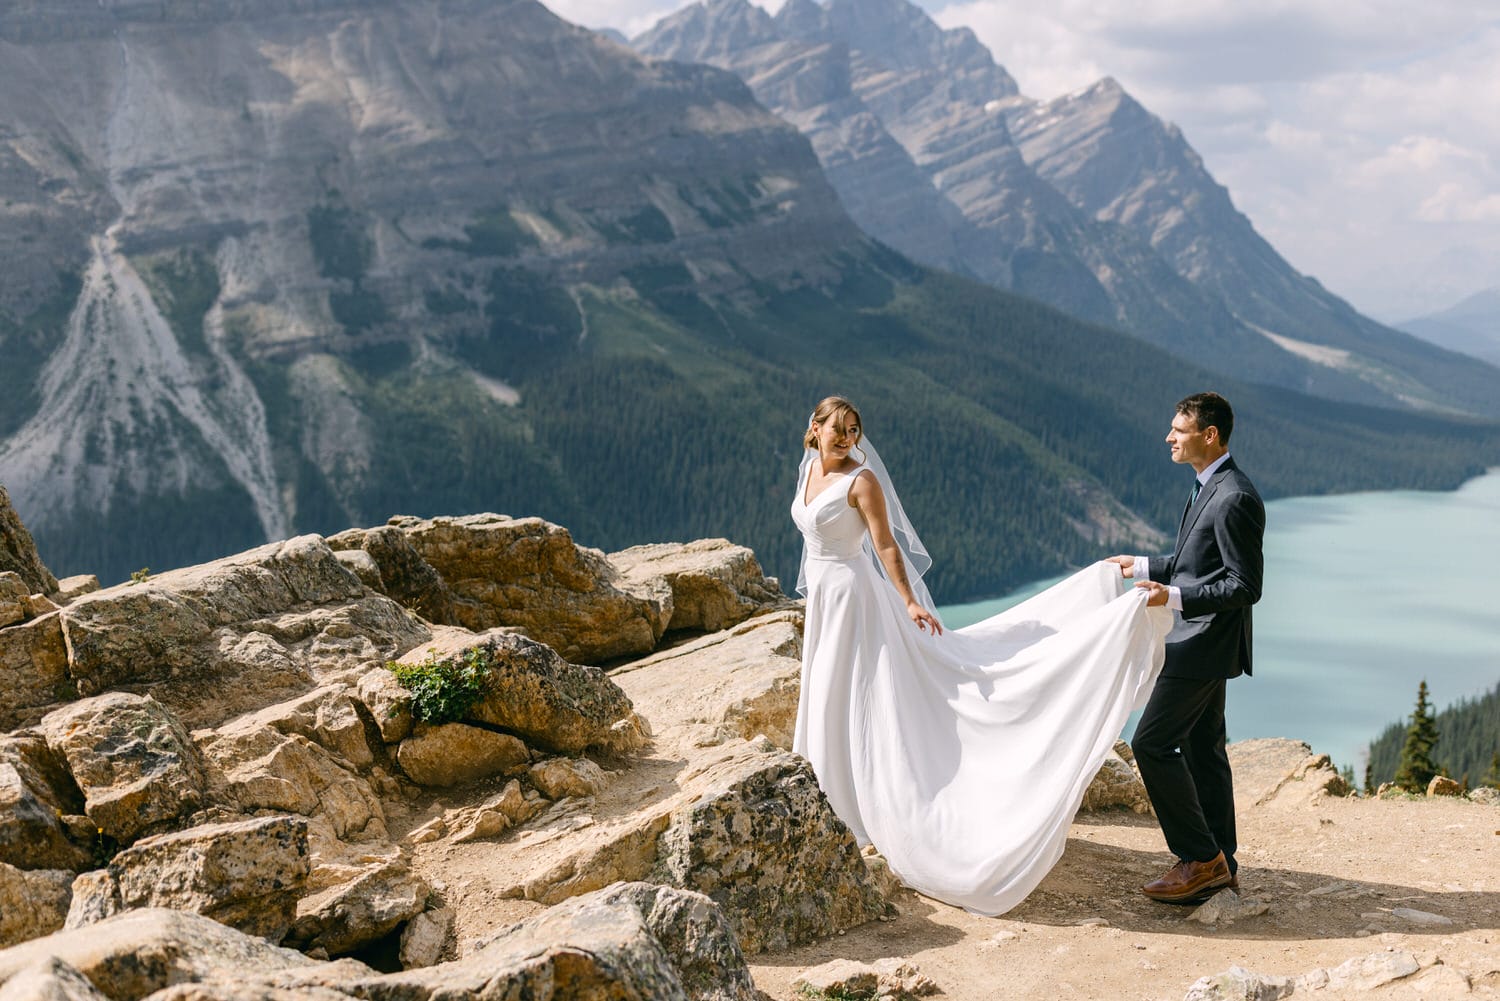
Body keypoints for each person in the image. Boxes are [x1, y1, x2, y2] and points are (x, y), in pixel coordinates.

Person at [791, 395, 1171, 916]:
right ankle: (830, 790)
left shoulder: (862, 481)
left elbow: (885, 548)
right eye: (839, 429)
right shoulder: (809, 468)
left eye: (854, 430)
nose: (848, 438)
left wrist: (907, 601)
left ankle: (861, 806)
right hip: (824, 598)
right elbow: (813, 538)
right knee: (828, 691)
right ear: (815, 429)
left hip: (856, 600)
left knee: (857, 695)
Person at [1109, 391, 1265, 904]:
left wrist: (1171, 595)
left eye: (1178, 430)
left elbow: (1244, 585)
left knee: (1152, 744)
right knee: (1202, 749)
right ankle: (1222, 858)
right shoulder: (1209, 486)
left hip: (1204, 643)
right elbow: (1195, 560)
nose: (1169, 437)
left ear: (1209, 435)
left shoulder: (1235, 496)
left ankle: (1201, 859)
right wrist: (1142, 565)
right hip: (1200, 641)